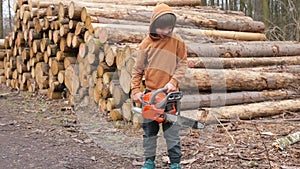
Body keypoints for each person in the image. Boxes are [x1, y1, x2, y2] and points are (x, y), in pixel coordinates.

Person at [130, 3, 188, 169]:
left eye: (169, 28)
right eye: (163, 29)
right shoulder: (146, 44)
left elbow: (182, 63)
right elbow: (137, 70)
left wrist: (174, 81)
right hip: (151, 95)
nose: (166, 32)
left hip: (171, 95)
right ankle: (149, 161)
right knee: (149, 131)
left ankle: (175, 163)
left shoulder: (177, 41)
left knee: (172, 132)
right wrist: (135, 90)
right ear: (154, 25)